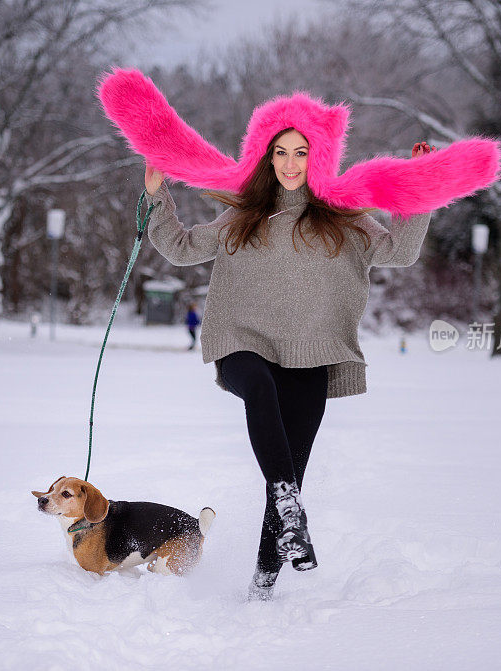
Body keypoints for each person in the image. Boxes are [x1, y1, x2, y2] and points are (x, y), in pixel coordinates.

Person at [143, 126, 437, 600]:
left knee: (289, 479)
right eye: (280, 152)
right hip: (241, 342)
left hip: (311, 355)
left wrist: (420, 183)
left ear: (319, 158)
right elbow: (181, 248)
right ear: (267, 157)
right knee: (261, 396)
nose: (290, 163)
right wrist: (157, 197)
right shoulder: (246, 214)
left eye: (301, 152)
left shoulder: (343, 218)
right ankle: (288, 506)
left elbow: (400, 251)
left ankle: (262, 586)